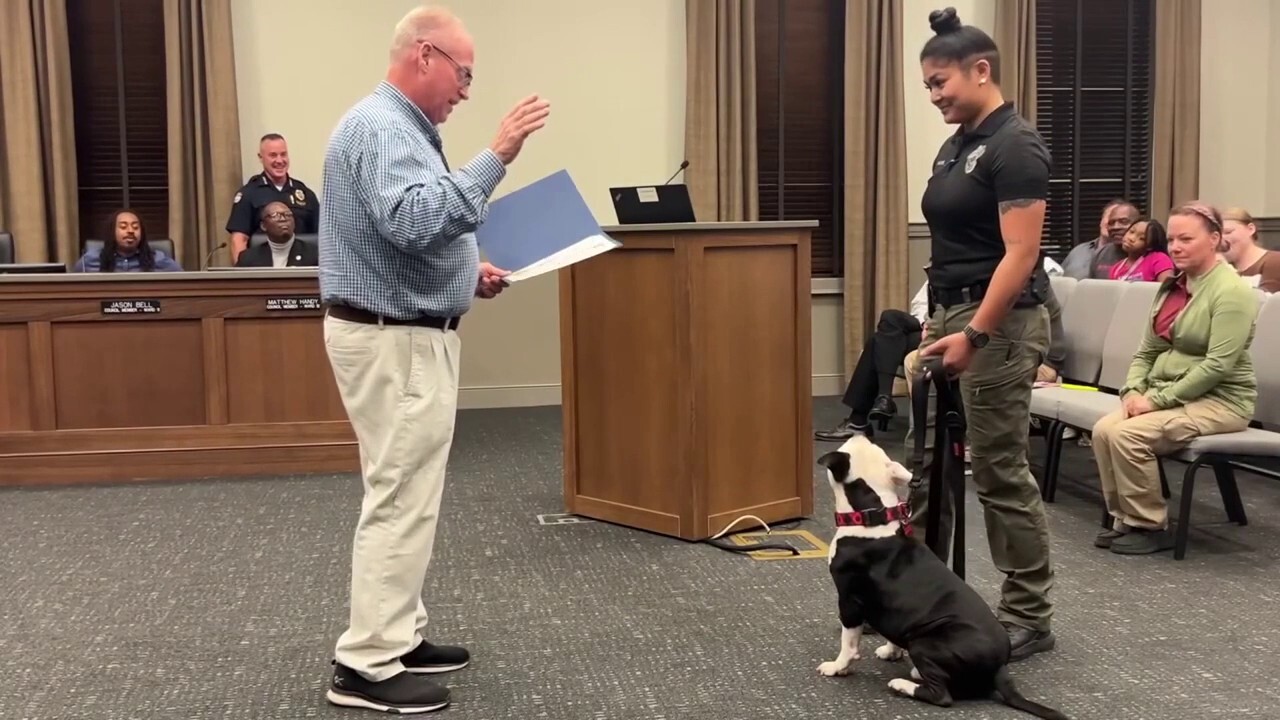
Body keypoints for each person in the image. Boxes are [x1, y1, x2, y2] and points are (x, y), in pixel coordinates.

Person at [318, 5, 550, 714]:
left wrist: (465, 272)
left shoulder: (396, 128)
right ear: (425, 56)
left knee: (407, 493)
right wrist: (497, 155)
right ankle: (365, 664)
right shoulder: (384, 127)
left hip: (402, 330)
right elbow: (416, 222)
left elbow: (408, 232)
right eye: (465, 72)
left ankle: (398, 633)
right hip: (396, 339)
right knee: (400, 499)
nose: (468, 90)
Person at [907, 7, 1055, 661]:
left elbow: (1020, 254)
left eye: (941, 84)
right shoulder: (956, 144)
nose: (935, 97)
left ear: (982, 70)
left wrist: (978, 336)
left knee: (996, 468)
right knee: (927, 467)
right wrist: (939, 321)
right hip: (948, 313)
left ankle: (1028, 613)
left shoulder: (1014, 144)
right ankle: (921, 595)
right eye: (928, 87)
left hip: (1001, 322)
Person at [1092, 202, 1257, 554]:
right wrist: (1133, 390)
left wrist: (1155, 400)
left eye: (1186, 238)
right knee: (1104, 429)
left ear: (1214, 239)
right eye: (1171, 239)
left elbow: (1218, 366)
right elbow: (1146, 351)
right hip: (1170, 392)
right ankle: (1126, 519)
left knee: (1129, 435)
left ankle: (1151, 525)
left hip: (1221, 400)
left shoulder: (1232, 292)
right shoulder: (1173, 287)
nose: (1176, 246)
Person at [226, 133, 320, 263]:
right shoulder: (248, 194)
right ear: (261, 157)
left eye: (283, 154)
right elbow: (239, 240)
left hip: (303, 267)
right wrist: (243, 278)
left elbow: (321, 237)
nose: (280, 160)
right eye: (273, 155)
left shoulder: (304, 193)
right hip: (262, 268)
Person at [73, 209, 182, 272]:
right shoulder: (88, 261)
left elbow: (184, 285)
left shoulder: (159, 260)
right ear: (112, 231)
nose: (131, 231)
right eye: (123, 227)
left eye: (135, 227)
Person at [1061, 200, 1138, 280]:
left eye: (1123, 221)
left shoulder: (1146, 254)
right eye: (1111, 221)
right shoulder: (1095, 253)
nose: (1116, 227)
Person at [234, 201, 318, 268]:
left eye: (288, 215)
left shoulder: (314, 254)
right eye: (275, 215)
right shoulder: (248, 258)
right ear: (263, 226)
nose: (283, 219)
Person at [1221, 206, 1280, 292]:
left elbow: (1264, 301)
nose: (1222, 239)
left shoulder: (1274, 261)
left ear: (1250, 229)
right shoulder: (1222, 267)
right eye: (1218, 235)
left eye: (1228, 232)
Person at [1108, 218, 1174, 282]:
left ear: (1149, 246)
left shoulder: (1159, 259)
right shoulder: (1116, 268)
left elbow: (1166, 290)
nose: (1131, 238)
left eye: (1141, 238)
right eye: (1131, 232)